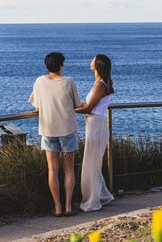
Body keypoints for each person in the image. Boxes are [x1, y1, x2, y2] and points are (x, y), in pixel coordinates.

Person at [29, 52, 81, 217]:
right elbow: (77, 104)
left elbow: (36, 107)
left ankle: (57, 207)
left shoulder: (39, 82)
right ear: (60, 65)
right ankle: (68, 207)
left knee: (52, 170)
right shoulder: (69, 82)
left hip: (48, 130)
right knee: (69, 170)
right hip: (67, 129)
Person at [76, 54, 115, 212]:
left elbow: (89, 108)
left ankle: (91, 202)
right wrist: (76, 104)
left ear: (97, 65)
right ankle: (104, 196)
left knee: (90, 165)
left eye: (92, 60)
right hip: (96, 123)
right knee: (94, 164)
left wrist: (67, 110)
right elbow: (89, 104)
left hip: (96, 124)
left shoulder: (100, 85)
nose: (90, 61)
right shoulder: (100, 83)